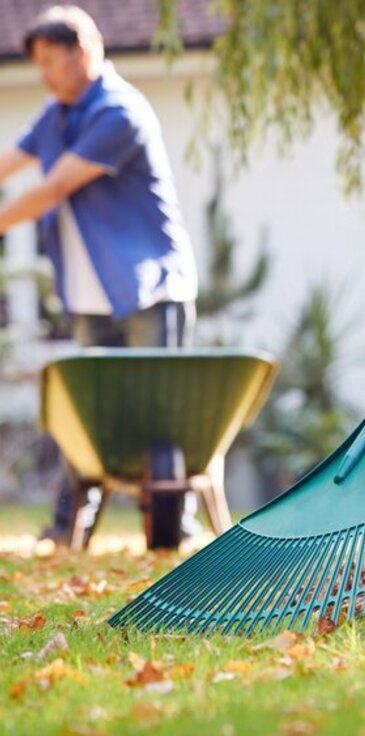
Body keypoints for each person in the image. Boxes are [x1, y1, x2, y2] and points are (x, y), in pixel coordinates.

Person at [0, 5, 200, 545]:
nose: (42, 75)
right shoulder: (55, 113)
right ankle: (67, 529)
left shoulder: (119, 111)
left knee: (157, 410)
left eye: (50, 62)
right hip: (89, 296)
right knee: (86, 416)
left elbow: (50, 188)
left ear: (84, 52)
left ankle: (171, 530)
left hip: (149, 288)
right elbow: (9, 162)